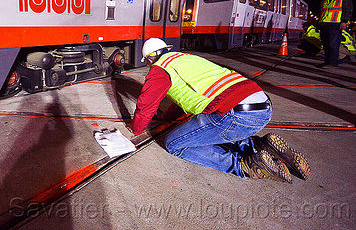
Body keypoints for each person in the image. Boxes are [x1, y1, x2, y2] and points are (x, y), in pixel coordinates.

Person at [129, 38, 311, 182]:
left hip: (236, 114)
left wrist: (137, 128)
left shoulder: (159, 69)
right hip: (262, 106)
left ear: (150, 58)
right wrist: (168, 117)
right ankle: (259, 146)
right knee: (210, 129)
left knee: (175, 144)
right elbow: (184, 98)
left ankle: (245, 166)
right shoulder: (185, 59)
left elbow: (146, 104)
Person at [316, 0, 353, 69]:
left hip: (335, 24)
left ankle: (333, 63)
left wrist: (344, 21)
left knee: (333, 45)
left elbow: (347, 9)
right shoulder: (325, 1)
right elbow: (321, 13)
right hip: (324, 24)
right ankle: (327, 62)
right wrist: (318, 24)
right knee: (326, 45)